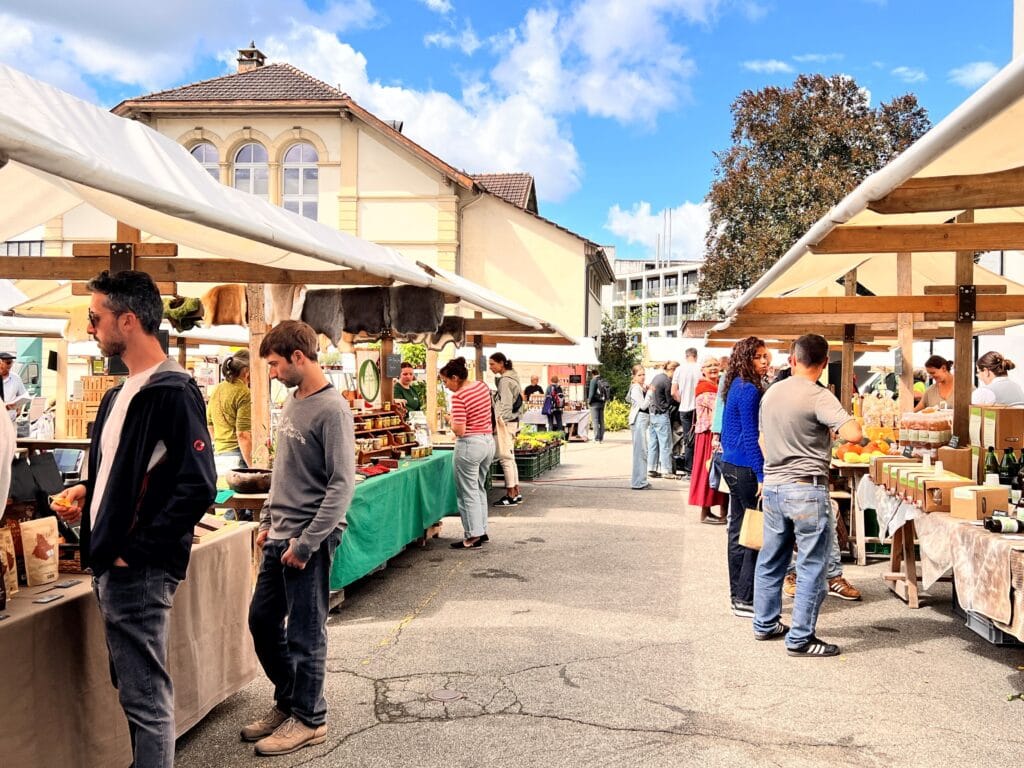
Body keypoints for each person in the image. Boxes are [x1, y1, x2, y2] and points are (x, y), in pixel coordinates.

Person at [51, 270, 216, 768]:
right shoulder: (117, 394)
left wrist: (133, 551)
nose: (90, 328)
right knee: (136, 692)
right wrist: (89, 490)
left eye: (96, 318)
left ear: (128, 320)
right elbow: (122, 470)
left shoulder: (172, 392)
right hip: (114, 565)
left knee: (146, 700)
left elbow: (198, 486)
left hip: (136, 571)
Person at [244, 320, 355, 756]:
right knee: (262, 622)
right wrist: (267, 521)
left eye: (274, 364)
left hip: (309, 541)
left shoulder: (333, 410)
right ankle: (290, 700)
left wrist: (307, 543)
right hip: (280, 534)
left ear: (298, 357)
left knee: (306, 633)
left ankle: (310, 719)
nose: (271, 372)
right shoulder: (292, 401)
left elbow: (342, 485)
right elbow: (283, 473)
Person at [753, 334, 862, 657]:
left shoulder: (771, 393)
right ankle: (801, 638)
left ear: (792, 359)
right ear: (825, 363)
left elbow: (761, 440)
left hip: (773, 486)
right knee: (812, 565)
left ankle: (765, 623)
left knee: (772, 560)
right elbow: (853, 434)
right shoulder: (820, 396)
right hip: (806, 488)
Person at [720, 337, 770, 618]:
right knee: (754, 532)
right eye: (758, 357)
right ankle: (746, 598)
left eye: (765, 356)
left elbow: (731, 433)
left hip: (731, 464)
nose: (764, 361)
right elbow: (751, 436)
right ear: (746, 359)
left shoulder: (735, 385)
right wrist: (761, 474)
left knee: (738, 531)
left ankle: (736, 595)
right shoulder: (749, 389)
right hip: (746, 468)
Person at [441, 357, 496, 548]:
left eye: (446, 381)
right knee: (479, 487)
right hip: (488, 442)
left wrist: (450, 419)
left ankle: (473, 535)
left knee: (467, 492)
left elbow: (459, 430)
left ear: (455, 377)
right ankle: (481, 530)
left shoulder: (458, 397)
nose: (446, 386)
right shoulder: (482, 386)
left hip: (469, 445)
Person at [689, 357, 727, 524]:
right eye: (709, 365)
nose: (713, 368)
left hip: (715, 433)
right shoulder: (704, 388)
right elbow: (720, 408)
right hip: (707, 435)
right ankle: (705, 511)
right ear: (703, 369)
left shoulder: (718, 385)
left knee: (717, 472)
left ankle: (721, 511)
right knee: (709, 470)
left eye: (716, 364)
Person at [207, 350, 252, 475]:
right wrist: (253, 466)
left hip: (219, 455)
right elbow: (243, 434)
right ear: (247, 371)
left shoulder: (218, 388)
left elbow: (209, 424)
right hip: (238, 455)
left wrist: (220, 443)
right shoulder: (243, 392)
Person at [488, 352, 523, 507]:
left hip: (505, 423)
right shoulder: (513, 377)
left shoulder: (505, 381)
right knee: (510, 458)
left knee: (505, 458)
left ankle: (510, 494)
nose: (490, 367)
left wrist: (498, 423)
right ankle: (516, 491)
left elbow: (506, 405)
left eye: (492, 364)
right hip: (513, 421)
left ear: (501, 363)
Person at [647, 361, 678, 479]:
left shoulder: (656, 378)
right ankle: (666, 470)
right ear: (673, 370)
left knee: (653, 443)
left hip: (652, 413)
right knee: (666, 444)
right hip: (661, 414)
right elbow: (670, 398)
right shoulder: (667, 381)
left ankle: (651, 468)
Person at [672, 348, 700, 475]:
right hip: (698, 408)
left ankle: (689, 468)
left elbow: (673, 391)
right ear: (696, 356)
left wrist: (681, 400)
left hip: (684, 408)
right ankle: (697, 466)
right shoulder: (700, 368)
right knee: (699, 438)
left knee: (688, 438)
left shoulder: (679, 369)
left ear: (686, 356)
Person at [627, 365, 650, 490]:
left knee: (642, 451)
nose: (642, 377)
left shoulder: (639, 388)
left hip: (642, 420)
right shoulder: (636, 388)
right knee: (640, 451)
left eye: (643, 374)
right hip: (639, 419)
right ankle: (638, 481)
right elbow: (643, 405)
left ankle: (642, 479)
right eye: (639, 375)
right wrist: (650, 393)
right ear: (634, 376)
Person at [0, 352, 29, 423]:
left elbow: (23, 395)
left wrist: (19, 407)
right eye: (8, 362)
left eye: (12, 362)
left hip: (11, 420)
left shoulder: (16, 378)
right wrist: (4, 406)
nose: (10, 365)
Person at [588, 369, 610, 443]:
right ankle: (601, 438)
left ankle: (596, 438)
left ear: (593, 374)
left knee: (595, 421)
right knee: (601, 421)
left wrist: (589, 401)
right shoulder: (602, 380)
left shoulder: (593, 380)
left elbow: (591, 393)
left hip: (594, 404)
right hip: (602, 403)